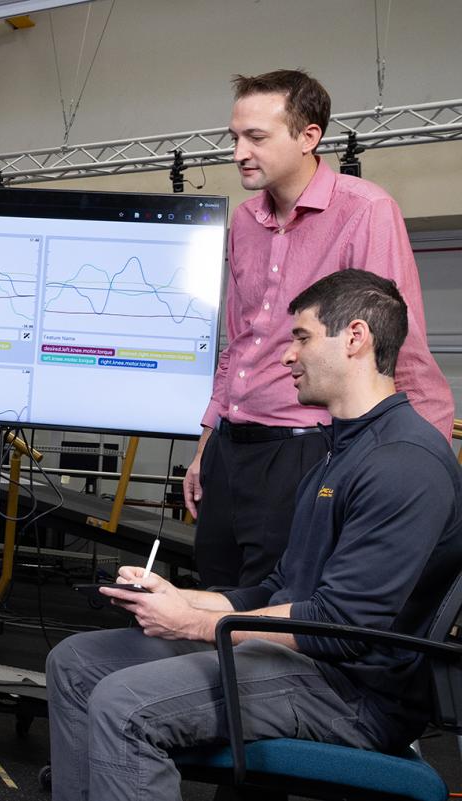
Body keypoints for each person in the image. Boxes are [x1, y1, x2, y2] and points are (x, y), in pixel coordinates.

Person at [47, 269, 462, 801]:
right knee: (78, 663)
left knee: (125, 704)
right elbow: (278, 589)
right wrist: (180, 598)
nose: (288, 356)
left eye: (303, 337)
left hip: (350, 694)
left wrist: (197, 625)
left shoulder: (402, 463)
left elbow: (344, 624)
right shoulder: (340, 452)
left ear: (355, 338)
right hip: (303, 662)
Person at [183, 69, 453, 589]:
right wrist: (205, 447)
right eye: (235, 137)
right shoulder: (243, 221)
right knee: (210, 600)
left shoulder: (366, 211)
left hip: (303, 450)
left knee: (269, 618)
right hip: (229, 449)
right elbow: (239, 345)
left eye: (256, 138)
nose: (239, 152)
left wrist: (423, 467)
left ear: (309, 137)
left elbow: (399, 351)